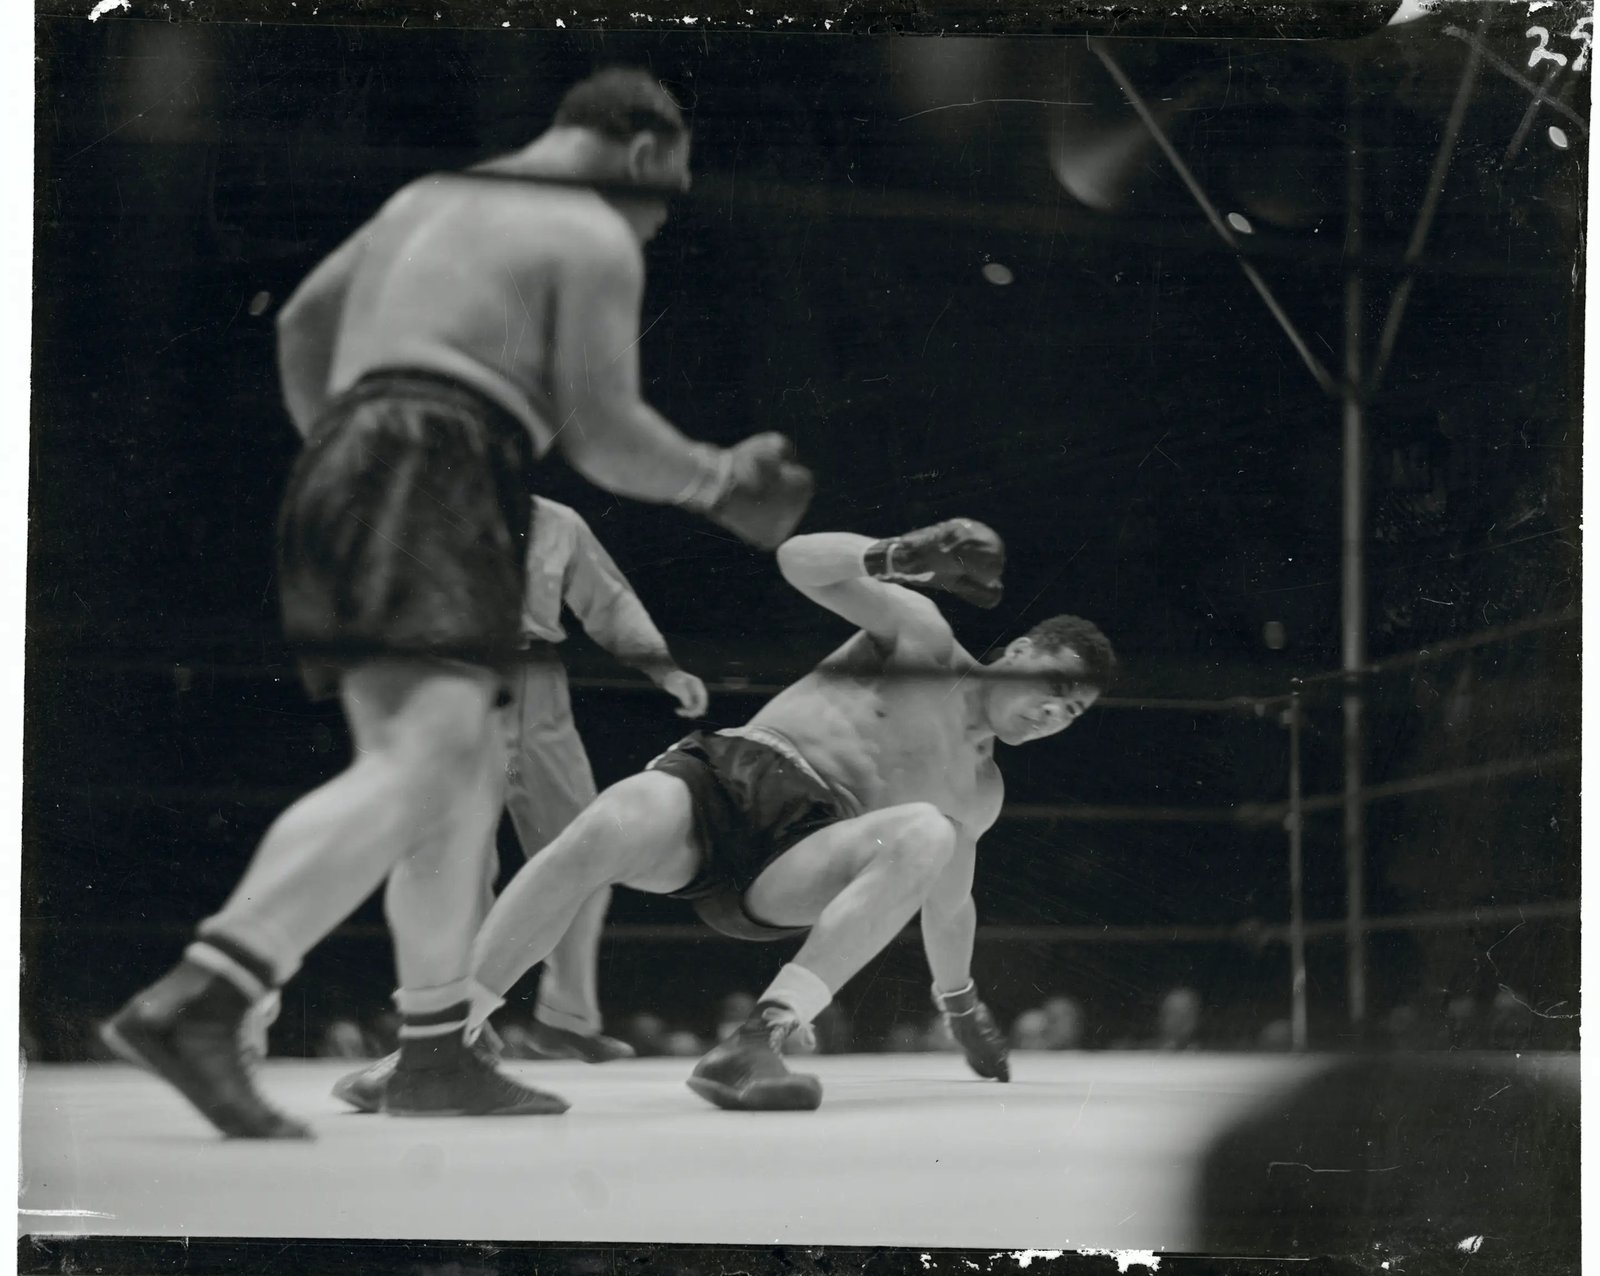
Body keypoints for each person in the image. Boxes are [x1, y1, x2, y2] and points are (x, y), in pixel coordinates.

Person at [99, 68, 812, 1139]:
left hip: (360, 460)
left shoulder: (425, 201)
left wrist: (351, 442)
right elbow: (607, 431)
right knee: (425, 762)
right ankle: (209, 989)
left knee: (460, 777)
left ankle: (436, 1050)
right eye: (669, 194)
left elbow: (302, 324)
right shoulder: (588, 228)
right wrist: (722, 482)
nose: (659, 219)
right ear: (646, 152)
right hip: (437, 461)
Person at [449, 517, 1116, 1111]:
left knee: (926, 833)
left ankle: (757, 1041)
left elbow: (949, 902)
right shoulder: (923, 639)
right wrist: (892, 554)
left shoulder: (980, 789)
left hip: (799, 859)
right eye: (1053, 688)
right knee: (603, 825)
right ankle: (444, 1043)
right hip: (726, 781)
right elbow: (799, 560)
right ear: (1021, 651)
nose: (1054, 714)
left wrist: (961, 1003)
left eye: (1074, 712)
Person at [328, 496, 709, 1111]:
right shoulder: (419, 508)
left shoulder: (558, 520)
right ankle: (453, 1031)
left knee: (590, 846)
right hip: (453, 679)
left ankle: (567, 1017)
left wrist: (662, 667)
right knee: (454, 865)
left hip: (539, 687)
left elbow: (607, 599)